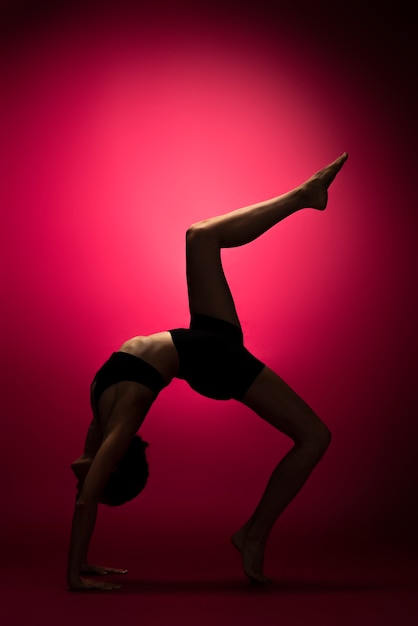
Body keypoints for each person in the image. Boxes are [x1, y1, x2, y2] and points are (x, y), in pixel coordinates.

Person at [68, 153, 348, 591]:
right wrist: (74, 575)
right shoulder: (124, 413)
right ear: (114, 463)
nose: (77, 470)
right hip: (213, 361)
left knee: (200, 236)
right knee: (315, 437)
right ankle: (253, 533)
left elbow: (86, 491)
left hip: (203, 342)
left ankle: (303, 195)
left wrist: (82, 562)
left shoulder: (102, 404)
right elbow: (87, 502)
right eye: (90, 471)